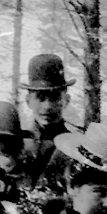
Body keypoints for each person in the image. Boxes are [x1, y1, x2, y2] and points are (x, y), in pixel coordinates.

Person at [20, 53, 84, 201]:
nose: (47, 106)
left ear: (66, 100)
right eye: (40, 98)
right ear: (28, 101)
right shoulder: (17, 144)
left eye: (54, 98)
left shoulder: (79, 145)